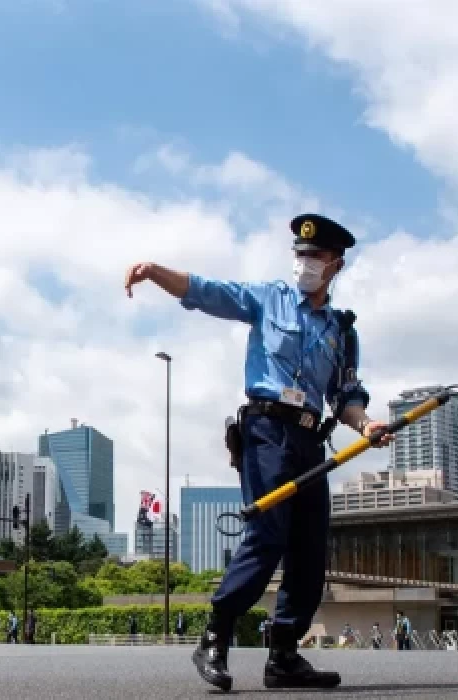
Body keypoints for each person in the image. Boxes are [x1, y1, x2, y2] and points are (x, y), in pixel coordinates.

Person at [125, 213, 393, 692]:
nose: (304, 262)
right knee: (268, 532)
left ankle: (285, 656)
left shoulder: (342, 331)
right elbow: (208, 291)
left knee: (310, 549)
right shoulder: (269, 299)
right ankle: (215, 635)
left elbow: (348, 399)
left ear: (336, 263)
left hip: (311, 438)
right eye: (300, 254)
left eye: (315, 256)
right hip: (267, 429)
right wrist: (155, 271)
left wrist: (367, 424)